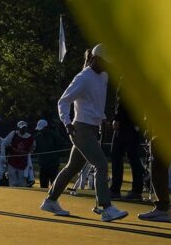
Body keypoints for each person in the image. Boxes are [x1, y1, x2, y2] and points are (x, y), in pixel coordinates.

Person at [41, 46, 127, 221]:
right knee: (101, 164)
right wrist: (66, 123)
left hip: (92, 129)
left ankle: (50, 201)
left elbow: (95, 103)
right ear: (95, 59)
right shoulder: (83, 78)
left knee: (72, 167)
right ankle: (106, 208)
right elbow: (63, 101)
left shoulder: (103, 76)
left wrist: (102, 119)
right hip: (80, 129)